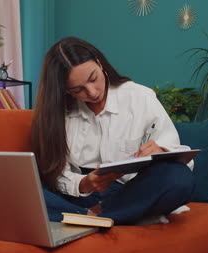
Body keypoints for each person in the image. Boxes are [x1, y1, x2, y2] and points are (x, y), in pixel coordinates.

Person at [31, 37, 195, 225]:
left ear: (100, 64)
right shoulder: (57, 114)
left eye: (93, 78)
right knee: (20, 187)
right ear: (65, 90)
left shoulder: (139, 97)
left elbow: (180, 158)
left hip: (130, 191)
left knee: (179, 178)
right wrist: (84, 184)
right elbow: (55, 173)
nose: (92, 92)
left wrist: (162, 151)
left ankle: (88, 217)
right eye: (78, 90)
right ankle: (97, 217)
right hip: (79, 193)